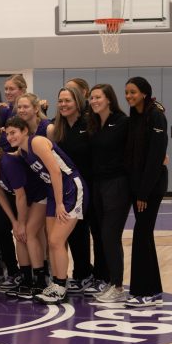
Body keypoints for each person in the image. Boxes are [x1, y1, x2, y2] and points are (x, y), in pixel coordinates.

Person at [4, 116, 87, 305]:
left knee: (56, 240)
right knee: (52, 241)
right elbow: (13, 155)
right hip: (54, 191)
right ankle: (57, 282)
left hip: (70, 189)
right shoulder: (23, 151)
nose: (10, 137)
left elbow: (56, 172)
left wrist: (59, 203)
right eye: (7, 134)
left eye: (13, 133)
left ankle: (60, 285)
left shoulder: (38, 142)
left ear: (25, 130)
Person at [0, 134, 48, 299]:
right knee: (19, 234)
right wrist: (14, 221)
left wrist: (20, 222)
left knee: (28, 232)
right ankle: (27, 279)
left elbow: (20, 195)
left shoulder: (7, 163)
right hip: (23, 198)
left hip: (38, 194)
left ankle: (41, 281)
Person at [47, 86, 97, 295]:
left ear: (77, 102)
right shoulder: (56, 126)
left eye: (68, 101)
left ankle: (85, 273)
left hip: (89, 185)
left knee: (84, 232)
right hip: (67, 189)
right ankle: (70, 275)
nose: (64, 105)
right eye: (60, 101)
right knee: (70, 233)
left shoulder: (88, 123)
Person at [124, 77, 168, 307]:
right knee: (144, 235)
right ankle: (152, 291)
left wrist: (143, 193)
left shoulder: (155, 115)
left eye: (133, 92)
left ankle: (146, 292)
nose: (129, 96)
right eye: (127, 92)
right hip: (137, 185)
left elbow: (155, 157)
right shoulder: (135, 116)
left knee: (141, 235)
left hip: (150, 187)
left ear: (144, 93)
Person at [86, 84, 131, 303]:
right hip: (98, 185)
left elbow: (138, 145)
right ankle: (111, 282)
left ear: (109, 100)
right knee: (102, 237)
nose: (93, 101)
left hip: (117, 185)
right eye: (92, 98)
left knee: (111, 236)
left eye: (98, 97)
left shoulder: (122, 122)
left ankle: (118, 287)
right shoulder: (94, 123)